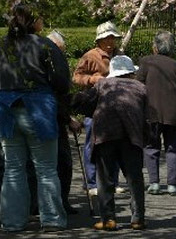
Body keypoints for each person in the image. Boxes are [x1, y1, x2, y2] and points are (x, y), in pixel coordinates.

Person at [0, 3, 70, 232]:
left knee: (12, 167)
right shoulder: (46, 45)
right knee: (46, 168)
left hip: (7, 111)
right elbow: (62, 82)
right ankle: (51, 219)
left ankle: (12, 221)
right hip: (39, 110)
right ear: (34, 22)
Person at [72, 55, 147, 231]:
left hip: (106, 134)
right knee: (134, 178)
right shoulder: (141, 87)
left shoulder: (103, 84)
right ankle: (138, 219)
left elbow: (83, 101)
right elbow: (148, 114)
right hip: (132, 136)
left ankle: (108, 219)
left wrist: (89, 112)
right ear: (130, 73)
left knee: (104, 178)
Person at [72, 21, 121, 196]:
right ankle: (91, 183)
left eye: (113, 38)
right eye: (107, 38)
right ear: (99, 40)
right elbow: (76, 77)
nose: (110, 42)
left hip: (116, 105)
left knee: (115, 143)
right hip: (94, 105)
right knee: (91, 144)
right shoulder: (90, 56)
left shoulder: (119, 55)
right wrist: (92, 79)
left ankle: (113, 182)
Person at [137, 30, 176, 196]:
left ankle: (154, 183)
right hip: (174, 113)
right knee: (173, 148)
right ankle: (173, 185)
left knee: (151, 147)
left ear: (155, 47)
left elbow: (138, 86)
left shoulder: (146, 63)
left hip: (151, 112)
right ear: (172, 48)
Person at [48, 29, 82, 214]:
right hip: (54, 118)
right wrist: (68, 118)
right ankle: (59, 202)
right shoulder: (51, 65)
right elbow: (59, 96)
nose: (60, 53)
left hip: (55, 117)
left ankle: (60, 201)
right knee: (61, 163)